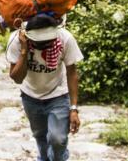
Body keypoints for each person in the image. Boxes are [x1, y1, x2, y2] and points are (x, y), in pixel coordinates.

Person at [6, 13, 83, 161]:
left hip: (58, 95)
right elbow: (16, 78)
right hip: (30, 97)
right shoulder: (17, 40)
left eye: (48, 41)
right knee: (40, 136)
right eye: (39, 42)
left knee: (58, 139)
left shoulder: (65, 38)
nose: (44, 45)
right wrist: (24, 51)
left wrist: (73, 108)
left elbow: (72, 73)